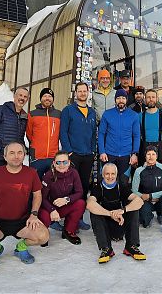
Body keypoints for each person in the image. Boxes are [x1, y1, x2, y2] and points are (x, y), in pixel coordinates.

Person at [0, 142, 49, 267]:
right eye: (12, 153)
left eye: (20, 152)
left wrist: (34, 215)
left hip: (22, 221)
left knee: (43, 236)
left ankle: (21, 248)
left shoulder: (31, 173)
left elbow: (37, 195)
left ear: (24, 155)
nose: (16, 156)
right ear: (5, 156)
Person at [87, 163, 146, 263]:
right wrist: (110, 214)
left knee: (133, 208)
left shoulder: (121, 187)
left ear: (116, 174)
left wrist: (122, 211)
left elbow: (139, 201)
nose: (110, 177)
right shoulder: (97, 188)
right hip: (105, 228)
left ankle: (131, 246)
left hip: (120, 223)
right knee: (95, 211)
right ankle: (106, 248)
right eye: (107, 174)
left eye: (113, 174)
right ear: (103, 175)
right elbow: (89, 204)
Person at [60, 82, 97, 230]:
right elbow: (63, 132)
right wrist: (68, 151)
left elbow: (94, 133)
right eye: (79, 91)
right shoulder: (68, 110)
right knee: (71, 188)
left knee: (83, 187)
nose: (82, 93)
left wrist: (93, 149)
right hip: (73, 155)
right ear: (75, 94)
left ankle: (79, 217)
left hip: (87, 155)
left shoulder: (92, 112)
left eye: (84, 91)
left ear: (88, 93)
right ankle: (69, 219)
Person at [38, 151, 85, 245]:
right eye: (58, 162)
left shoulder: (74, 173)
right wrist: (52, 210)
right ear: (54, 163)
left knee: (80, 203)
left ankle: (68, 231)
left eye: (65, 162)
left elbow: (79, 192)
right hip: (49, 208)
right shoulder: (48, 176)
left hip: (64, 206)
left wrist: (67, 199)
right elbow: (42, 198)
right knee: (44, 216)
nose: (62, 165)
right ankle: (43, 235)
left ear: (69, 162)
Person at [98, 89, 140, 183]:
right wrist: (102, 152)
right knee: (106, 182)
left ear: (126, 99)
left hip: (126, 155)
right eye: (118, 98)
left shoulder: (133, 115)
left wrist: (134, 153)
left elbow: (136, 135)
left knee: (123, 183)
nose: (121, 100)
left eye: (123, 98)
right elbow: (101, 134)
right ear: (115, 99)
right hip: (109, 154)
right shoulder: (107, 114)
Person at [132, 145, 162, 237]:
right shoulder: (139, 171)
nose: (151, 157)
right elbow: (134, 191)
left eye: (153, 154)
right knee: (145, 224)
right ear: (145, 156)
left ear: (157, 156)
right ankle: (149, 216)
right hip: (146, 201)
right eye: (148, 154)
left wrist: (151, 196)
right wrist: (144, 196)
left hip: (160, 201)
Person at [0, 87, 29, 171]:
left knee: (14, 184)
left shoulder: (24, 116)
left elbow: (20, 137)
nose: (22, 98)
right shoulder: (1, 110)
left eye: (25, 97)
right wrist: (0, 149)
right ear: (14, 96)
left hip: (15, 159)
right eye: (20, 95)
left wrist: (24, 149)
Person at [25, 88, 61, 179]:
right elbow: (29, 133)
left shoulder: (58, 114)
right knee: (34, 184)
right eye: (45, 96)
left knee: (52, 185)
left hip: (53, 157)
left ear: (53, 99)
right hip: (37, 157)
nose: (47, 98)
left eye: (50, 96)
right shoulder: (32, 114)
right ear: (41, 98)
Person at [139, 89, 162, 167]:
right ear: (145, 99)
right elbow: (136, 136)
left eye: (153, 97)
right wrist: (134, 154)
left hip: (159, 150)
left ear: (157, 99)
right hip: (144, 149)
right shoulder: (140, 116)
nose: (151, 99)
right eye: (148, 97)